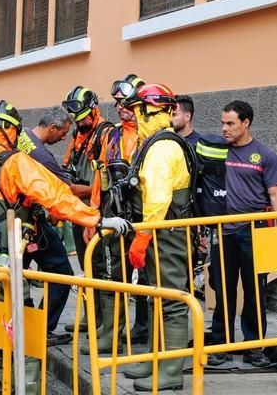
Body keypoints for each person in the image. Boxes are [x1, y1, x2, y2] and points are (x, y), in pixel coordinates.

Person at [0, 100, 131, 395]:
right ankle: (20, 386)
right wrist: (97, 219)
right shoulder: (16, 162)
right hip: (3, 268)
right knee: (20, 330)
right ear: (10, 130)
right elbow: (56, 196)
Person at [121, 83, 195, 391]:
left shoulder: (162, 148)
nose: (134, 117)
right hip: (159, 230)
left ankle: (171, 372)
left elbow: (159, 197)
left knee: (171, 300)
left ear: (149, 111)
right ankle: (156, 361)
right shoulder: (155, 142)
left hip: (166, 231)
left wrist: (144, 236)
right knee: (155, 297)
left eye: (137, 111)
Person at [207, 100, 277, 368]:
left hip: (254, 231)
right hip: (222, 232)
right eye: (223, 123)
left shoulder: (265, 155)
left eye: (230, 123)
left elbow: (276, 194)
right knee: (223, 290)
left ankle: (254, 347)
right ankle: (221, 345)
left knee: (254, 291)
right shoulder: (218, 152)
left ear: (246, 123)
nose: (224, 128)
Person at [80, 74, 148, 354]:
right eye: (119, 103)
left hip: (143, 215)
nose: (122, 108)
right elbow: (100, 176)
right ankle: (111, 331)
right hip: (114, 213)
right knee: (111, 273)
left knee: (148, 278)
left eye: (128, 103)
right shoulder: (111, 134)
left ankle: (146, 332)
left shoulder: (150, 135)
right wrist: (93, 213)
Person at [16, 106, 77, 346]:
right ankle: (40, 331)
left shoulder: (22, 136)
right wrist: (96, 191)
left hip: (14, 221)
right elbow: (66, 190)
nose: (63, 138)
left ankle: (21, 330)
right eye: (62, 133)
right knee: (62, 273)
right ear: (52, 128)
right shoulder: (41, 156)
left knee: (17, 279)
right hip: (31, 223)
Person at [61, 85, 114, 332]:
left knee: (100, 266)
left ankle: (104, 323)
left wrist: (78, 191)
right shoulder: (77, 134)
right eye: (75, 118)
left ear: (94, 110)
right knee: (86, 265)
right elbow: (67, 164)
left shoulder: (106, 133)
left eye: (81, 116)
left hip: (96, 209)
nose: (77, 122)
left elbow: (105, 178)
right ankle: (90, 315)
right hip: (77, 209)